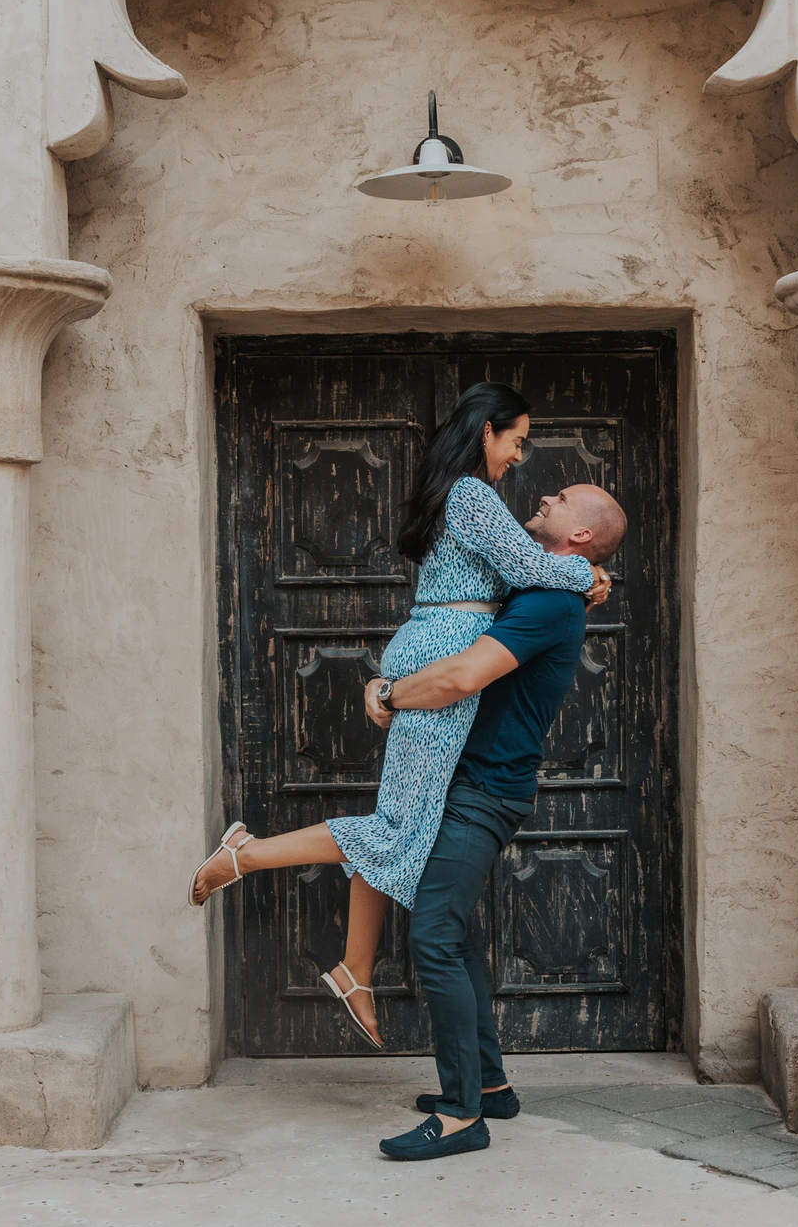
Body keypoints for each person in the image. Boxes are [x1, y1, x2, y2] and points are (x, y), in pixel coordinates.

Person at [186, 383, 612, 1050]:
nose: (519, 458)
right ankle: (246, 856)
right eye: (516, 441)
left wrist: (576, 579)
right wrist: (586, 576)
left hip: (438, 649)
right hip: (443, 656)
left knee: (402, 829)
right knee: (397, 828)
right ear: (486, 434)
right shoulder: (472, 496)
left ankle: (356, 969)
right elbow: (531, 565)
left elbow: (523, 572)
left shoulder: (467, 497)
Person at [369, 480, 629, 1161]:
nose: (546, 493)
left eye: (565, 496)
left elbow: (459, 678)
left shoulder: (547, 601)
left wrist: (388, 694)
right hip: (468, 782)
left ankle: (460, 1117)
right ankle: (488, 1089)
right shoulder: (539, 584)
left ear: (579, 536)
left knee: (433, 937)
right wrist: (593, 575)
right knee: (453, 935)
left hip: (482, 789)